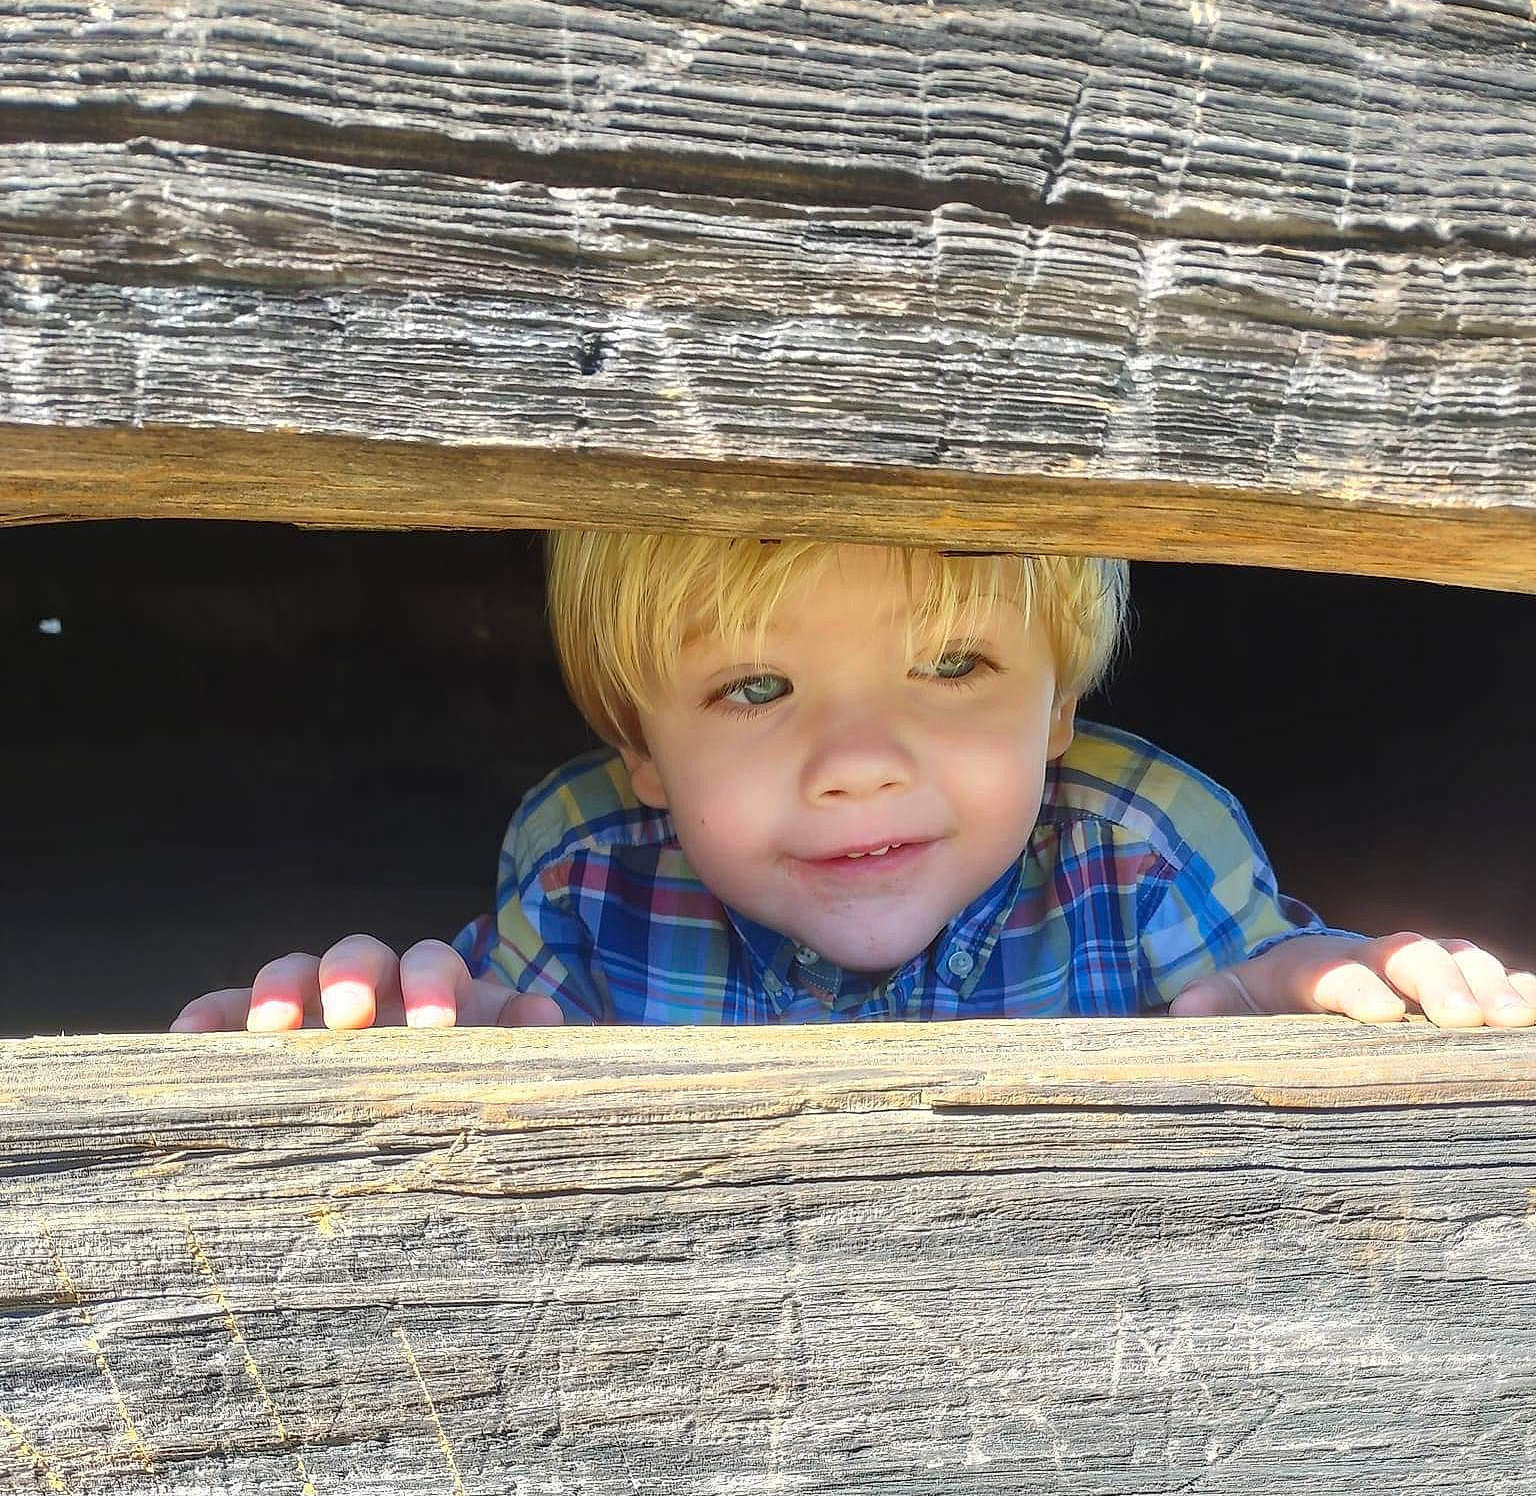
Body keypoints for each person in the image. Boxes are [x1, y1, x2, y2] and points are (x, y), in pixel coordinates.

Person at [170, 530, 1536, 1036]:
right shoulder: (591, 868)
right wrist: (389, 1036)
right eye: (754, 689)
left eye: (951, 665)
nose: (861, 763)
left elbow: (1261, 977)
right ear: (642, 750)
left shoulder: (1138, 841)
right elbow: (504, 1028)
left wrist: (1340, 984)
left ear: (1058, 703)